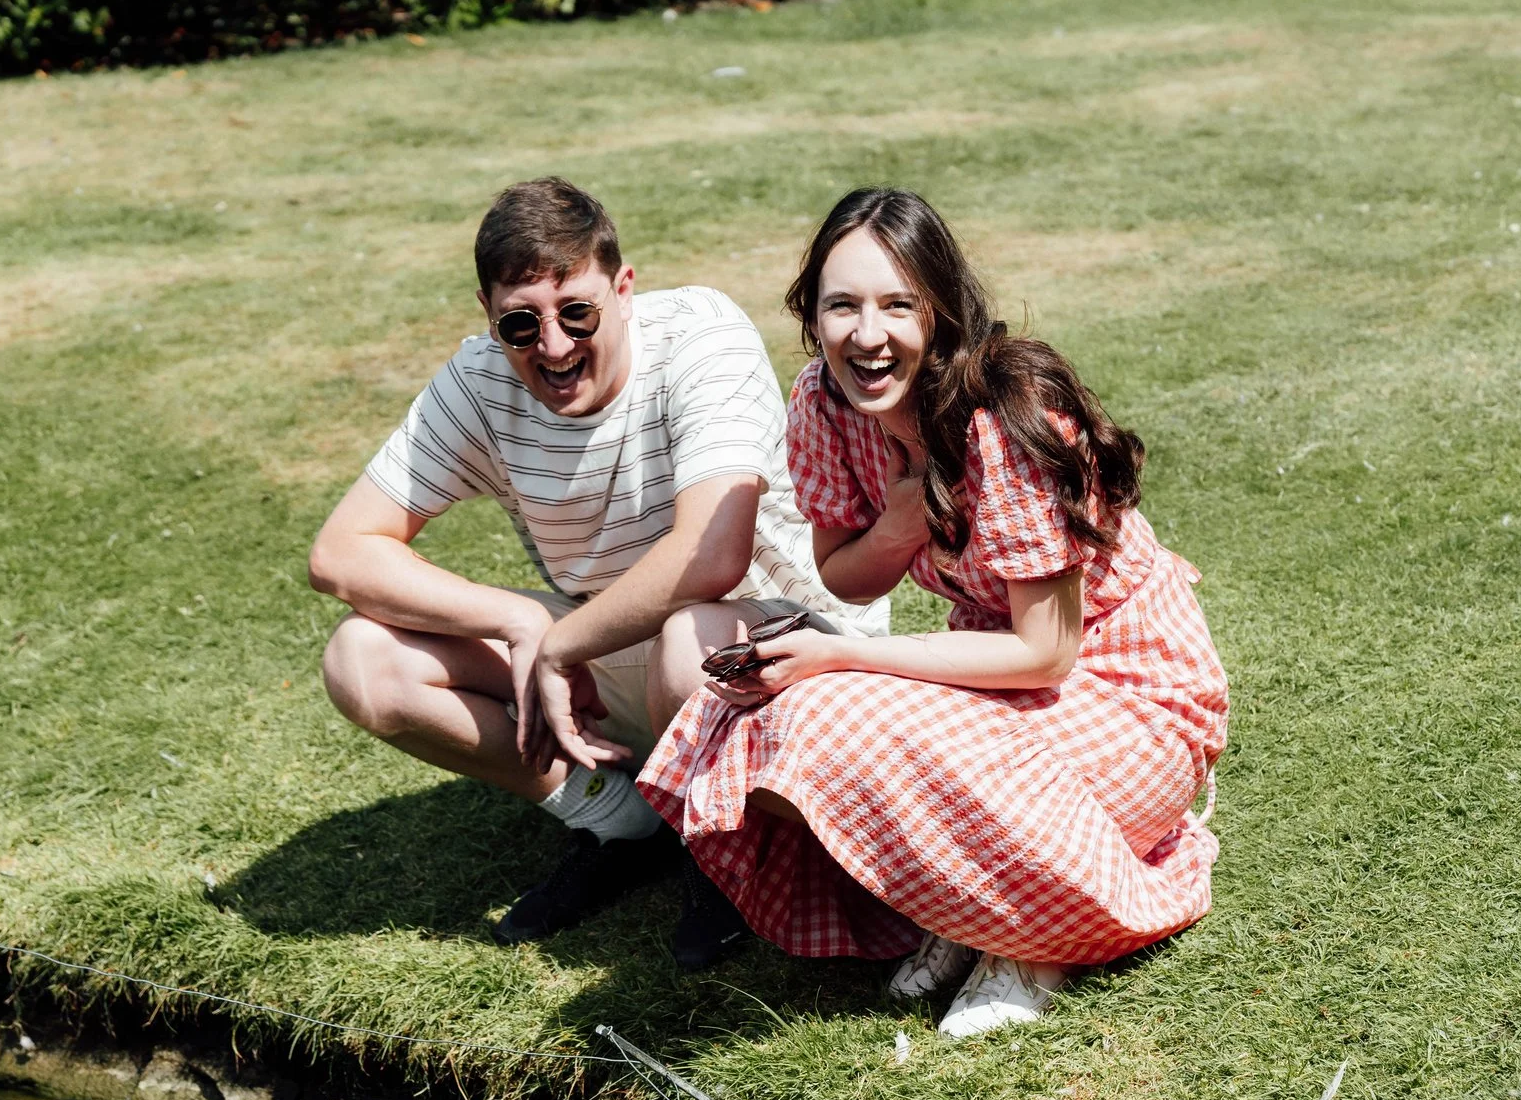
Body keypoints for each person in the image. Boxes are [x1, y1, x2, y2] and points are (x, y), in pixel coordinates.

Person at [636, 188, 1228, 1036]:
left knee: (834, 707)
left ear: (941, 314)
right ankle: (966, 911)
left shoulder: (1005, 418)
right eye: (842, 305)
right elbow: (847, 578)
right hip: (1001, 677)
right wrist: (900, 520)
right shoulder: (824, 403)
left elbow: (1046, 654)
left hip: (1128, 694)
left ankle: (1028, 945)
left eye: (896, 305)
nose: (866, 335)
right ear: (813, 313)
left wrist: (841, 658)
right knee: (764, 714)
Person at [310, 178, 884, 963]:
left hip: (778, 657)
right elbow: (342, 551)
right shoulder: (480, 379)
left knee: (687, 636)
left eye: (576, 311)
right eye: (521, 323)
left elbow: (710, 557)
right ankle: (620, 819)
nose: (552, 346)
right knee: (361, 660)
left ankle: (721, 850)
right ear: (488, 316)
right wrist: (519, 623)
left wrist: (558, 643)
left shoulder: (699, 335)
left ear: (623, 288)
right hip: (611, 649)